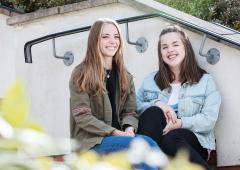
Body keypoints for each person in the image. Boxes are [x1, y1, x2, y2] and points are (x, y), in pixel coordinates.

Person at [69, 18, 159, 170]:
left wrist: (129, 129)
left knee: (151, 144)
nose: (112, 41)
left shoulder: (125, 75)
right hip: (92, 142)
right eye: (105, 37)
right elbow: (83, 117)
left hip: (119, 138)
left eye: (116, 37)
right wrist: (116, 133)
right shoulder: (81, 74)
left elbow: (130, 111)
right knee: (143, 147)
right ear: (95, 40)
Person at [137, 25, 221, 170]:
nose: (170, 50)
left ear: (185, 47)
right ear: (160, 52)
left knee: (171, 138)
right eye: (164, 47)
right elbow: (135, 105)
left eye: (175, 44)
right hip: (157, 139)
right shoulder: (150, 80)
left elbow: (209, 120)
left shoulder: (205, 81)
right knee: (153, 112)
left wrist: (180, 123)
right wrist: (158, 103)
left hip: (192, 141)